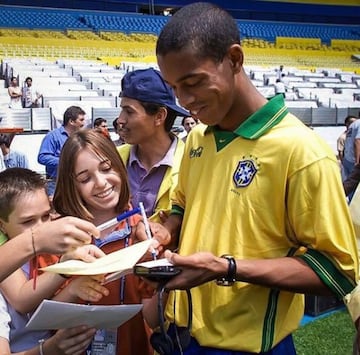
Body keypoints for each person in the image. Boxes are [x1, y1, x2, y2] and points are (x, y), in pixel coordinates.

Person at [154, 3, 358, 354]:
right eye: (174, 87)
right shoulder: (198, 139)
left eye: (193, 83)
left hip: (249, 348)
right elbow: (182, 205)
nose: (184, 101)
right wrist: (166, 231)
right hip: (179, 337)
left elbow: (337, 272)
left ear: (234, 59)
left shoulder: (302, 152)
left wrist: (227, 268)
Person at [53, 129, 170, 355]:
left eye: (107, 169)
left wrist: (164, 278)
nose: (100, 183)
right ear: (72, 185)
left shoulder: (142, 233)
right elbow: (45, 318)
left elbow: (152, 318)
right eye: (85, 178)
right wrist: (74, 289)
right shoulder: (59, 236)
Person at [0, 167, 109, 354]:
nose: (43, 228)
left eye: (45, 216)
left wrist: (74, 289)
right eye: (28, 222)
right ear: (2, 225)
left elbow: (42, 313)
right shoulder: (8, 258)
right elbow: (22, 300)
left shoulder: (45, 253)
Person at [117, 68, 189, 221]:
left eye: (129, 112)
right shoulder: (113, 159)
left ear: (159, 116)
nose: (120, 120)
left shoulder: (191, 164)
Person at [37, 105, 86, 197]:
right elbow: (42, 157)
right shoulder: (53, 136)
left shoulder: (81, 137)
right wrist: (65, 161)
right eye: (81, 120)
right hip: (57, 184)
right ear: (71, 121)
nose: (84, 123)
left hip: (77, 183)